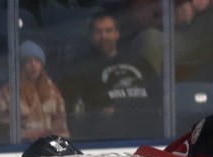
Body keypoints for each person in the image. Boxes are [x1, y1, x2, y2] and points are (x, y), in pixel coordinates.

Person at [58, 9, 161, 140]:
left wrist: (121, 109)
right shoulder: (79, 68)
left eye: (108, 31)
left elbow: (160, 95)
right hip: (107, 142)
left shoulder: (138, 61)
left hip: (150, 136)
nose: (104, 36)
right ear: (90, 36)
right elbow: (72, 109)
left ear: (116, 34)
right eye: (98, 32)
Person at [0, 40, 71, 142]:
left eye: (37, 60)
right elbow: (2, 127)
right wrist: (25, 134)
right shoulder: (8, 92)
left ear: (42, 64)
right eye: (28, 61)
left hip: (49, 147)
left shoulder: (53, 91)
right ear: (22, 66)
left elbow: (61, 124)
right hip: (21, 147)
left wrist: (50, 137)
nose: (33, 65)